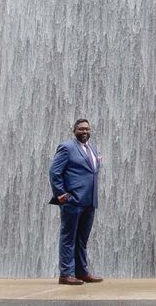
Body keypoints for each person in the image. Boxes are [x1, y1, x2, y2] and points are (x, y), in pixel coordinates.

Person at [49, 118, 103, 285]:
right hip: (72, 201)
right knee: (68, 238)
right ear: (74, 131)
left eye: (87, 129)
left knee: (82, 240)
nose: (84, 131)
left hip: (89, 201)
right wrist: (61, 194)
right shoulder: (67, 147)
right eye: (81, 129)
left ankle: (81, 272)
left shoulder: (92, 148)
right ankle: (66, 274)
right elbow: (54, 171)